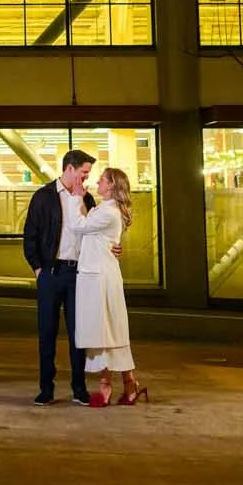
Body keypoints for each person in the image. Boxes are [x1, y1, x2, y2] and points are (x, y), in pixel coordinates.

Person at [22, 147, 95, 405]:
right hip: (51, 273)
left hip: (79, 274)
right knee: (47, 332)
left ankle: (79, 388)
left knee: (79, 334)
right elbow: (29, 235)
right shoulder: (43, 197)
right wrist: (39, 269)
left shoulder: (87, 199)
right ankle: (46, 388)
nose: (85, 179)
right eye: (83, 173)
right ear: (69, 169)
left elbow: (94, 233)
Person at [75, 166, 147, 406]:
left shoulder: (108, 212)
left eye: (102, 180)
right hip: (98, 275)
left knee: (105, 329)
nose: (97, 182)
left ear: (112, 185)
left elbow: (79, 225)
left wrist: (76, 196)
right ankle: (128, 383)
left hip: (101, 278)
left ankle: (110, 384)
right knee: (106, 329)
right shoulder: (105, 209)